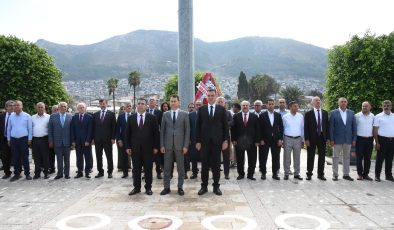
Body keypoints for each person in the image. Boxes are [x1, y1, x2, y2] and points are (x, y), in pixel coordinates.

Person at [196, 89, 229, 196]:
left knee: (216, 165)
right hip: (204, 143)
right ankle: (204, 186)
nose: (210, 97)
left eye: (212, 95)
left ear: (215, 96)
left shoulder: (221, 109)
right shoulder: (201, 109)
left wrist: (225, 140)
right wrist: (197, 141)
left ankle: (216, 186)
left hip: (217, 142)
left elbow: (225, 127)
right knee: (204, 165)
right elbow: (198, 127)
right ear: (206, 96)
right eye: (209, 95)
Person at [126, 98, 159, 196]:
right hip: (135, 149)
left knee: (148, 169)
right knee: (136, 169)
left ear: (146, 106)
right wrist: (127, 147)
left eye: (142, 104)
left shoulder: (152, 117)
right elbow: (127, 133)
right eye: (139, 104)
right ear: (136, 105)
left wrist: (156, 147)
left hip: (148, 149)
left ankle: (148, 188)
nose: (140, 105)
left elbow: (156, 134)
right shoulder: (131, 117)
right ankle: (136, 187)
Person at [160, 95, 190, 196]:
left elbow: (187, 132)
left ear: (179, 102)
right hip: (167, 146)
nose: (172, 103)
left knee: (181, 168)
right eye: (171, 101)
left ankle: (180, 187)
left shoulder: (185, 114)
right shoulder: (165, 114)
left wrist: (186, 145)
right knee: (167, 168)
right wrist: (162, 145)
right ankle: (166, 187)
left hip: (180, 146)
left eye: (174, 101)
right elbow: (162, 131)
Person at [329, 97, 357, 181]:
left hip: (348, 139)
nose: (343, 103)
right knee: (335, 157)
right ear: (338, 103)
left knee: (346, 157)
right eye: (341, 102)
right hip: (336, 139)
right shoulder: (333, 113)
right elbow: (331, 127)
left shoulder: (351, 113)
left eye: (345, 102)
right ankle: (335, 174)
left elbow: (354, 127)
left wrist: (354, 139)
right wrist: (331, 139)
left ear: (347, 103)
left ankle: (346, 174)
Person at [231, 101, 260, 180]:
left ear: (249, 106)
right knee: (240, 159)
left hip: (252, 142)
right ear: (241, 106)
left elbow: (258, 129)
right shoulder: (236, 116)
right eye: (243, 105)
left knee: (252, 159)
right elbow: (233, 129)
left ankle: (250, 175)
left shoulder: (254, 116)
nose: (245, 106)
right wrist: (233, 139)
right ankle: (241, 174)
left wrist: (257, 141)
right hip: (239, 141)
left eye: (247, 105)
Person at [304, 96, 329, 180]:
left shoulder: (325, 113)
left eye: (319, 100)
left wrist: (328, 138)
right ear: (312, 103)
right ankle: (309, 174)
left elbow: (327, 127)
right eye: (316, 100)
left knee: (322, 157)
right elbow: (306, 127)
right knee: (310, 156)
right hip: (311, 138)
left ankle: (320, 174)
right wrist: (306, 139)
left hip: (322, 137)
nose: (318, 101)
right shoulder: (308, 114)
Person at [7, 100, 32, 181]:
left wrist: (30, 138)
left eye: (18, 105)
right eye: (15, 105)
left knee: (25, 157)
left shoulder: (27, 116)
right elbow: (9, 129)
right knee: (15, 157)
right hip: (14, 139)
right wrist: (8, 139)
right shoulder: (11, 116)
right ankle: (17, 174)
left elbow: (30, 128)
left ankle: (27, 174)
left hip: (24, 139)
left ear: (22, 106)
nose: (16, 106)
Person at [259, 98, 283, 180]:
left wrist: (280, 139)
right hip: (265, 140)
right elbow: (260, 129)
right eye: (269, 104)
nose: (271, 105)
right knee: (263, 157)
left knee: (276, 157)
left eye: (272, 104)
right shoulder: (262, 115)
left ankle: (275, 174)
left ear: (274, 105)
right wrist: (261, 139)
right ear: (266, 105)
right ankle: (263, 173)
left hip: (276, 140)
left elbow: (281, 128)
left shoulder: (278, 115)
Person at [48, 102, 72, 180]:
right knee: (59, 159)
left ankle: (67, 174)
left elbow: (72, 130)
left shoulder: (70, 116)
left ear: (67, 108)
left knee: (67, 160)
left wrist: (72, 141)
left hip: (67, 142)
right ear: (58, 107)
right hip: (57, 142)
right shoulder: (53, 117)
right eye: (61, 106)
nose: (63, 108)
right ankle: (60, 174)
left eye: (64, 106)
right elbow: (50, 130)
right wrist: (51, 141)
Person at [93, 99, 116, 178]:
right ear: (99, 105)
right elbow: (93, 128)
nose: (102, 105)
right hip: (98, 139)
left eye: (103, 103)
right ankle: (100, 172)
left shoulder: (111, 114)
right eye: (101, 104)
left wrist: (113, 138)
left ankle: (110, 172)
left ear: (106, 104)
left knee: (109, 156)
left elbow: (114, 127)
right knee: (98, 156)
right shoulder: (95, 114)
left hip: (108, 139)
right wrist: (93, 138)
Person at [373, 100, 394, 182]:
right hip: (382, 140)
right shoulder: (378, 116)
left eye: (388, 105)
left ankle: (388, 175)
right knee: (379, 159)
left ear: (391, 106)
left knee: (390, 159)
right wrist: (377, 142)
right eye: (384, 105)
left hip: (392, 140)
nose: (386, 107)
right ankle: (377, 175)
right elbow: (375, 130)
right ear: (382, 106)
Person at [282, 101, 304, 180]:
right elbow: (283, 129)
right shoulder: (285, 117)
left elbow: (302, 128)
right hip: (287, 138)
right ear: (290, 107)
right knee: (286, 157)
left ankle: (297, 173)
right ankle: (286, 173)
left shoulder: (301, 116)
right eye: (295, 106)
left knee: (297, 157)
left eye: (297, 106)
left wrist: (302, 139)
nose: (297, 107)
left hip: (298, 139)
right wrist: (282, 140)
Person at [71, 102, 93, 179]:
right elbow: (72, 130)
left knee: (87, 157)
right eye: (80, 107)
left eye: (83, 107)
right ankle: (80, 172)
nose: (81, 109)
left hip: (86, 142)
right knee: (79, 157)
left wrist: (88, 140)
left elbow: (90, 130)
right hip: (77, 142)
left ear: (85, 108)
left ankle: (87, 172)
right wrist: (73, 140)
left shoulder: (89, 117)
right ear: (77, 109)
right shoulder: (74, 117)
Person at [354, 101, 374, 181]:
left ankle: (366, 174)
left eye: (366, 106)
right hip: (360, 139)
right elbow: (354, 129)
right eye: (363, 106)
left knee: (368, 158)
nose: (364, 107)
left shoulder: (373, 116)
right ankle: (359, 174)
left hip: (369, 139)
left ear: (370, 107)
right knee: (359, 157)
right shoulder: (357, 116)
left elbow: (374, 128)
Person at [31, 102, 51, 179]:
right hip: (35, 140)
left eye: (41, 107)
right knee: (36, 157)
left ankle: (46, 173)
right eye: (38, 107)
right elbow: (30, 128)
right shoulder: (32, 117)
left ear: (44, 108)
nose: (40, 108)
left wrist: (50, 140)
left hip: (44, 139)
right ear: (36, 108)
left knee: (45, 157)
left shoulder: (48, 117)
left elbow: (50, 129)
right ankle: (37, 173)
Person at [147, 97, 163, 179]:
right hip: (146, 138)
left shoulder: (159, 113)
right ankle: (146, 172)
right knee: (147, 156)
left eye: (153, 101)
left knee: (157, 157)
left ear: (156, 103)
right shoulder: (145, 112)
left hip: (157, 137)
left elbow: (162, 125)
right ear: (148, 103)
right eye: (150, 101)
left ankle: (158, 172)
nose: (152, 103)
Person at [116, 102, 133, 178]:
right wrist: (119, 139)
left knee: (134, 157)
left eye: (130, 106)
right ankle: (125, 172)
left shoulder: (135, 116)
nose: (129, 107)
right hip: (123, 140)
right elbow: (117, 129)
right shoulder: (120, 117)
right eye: (127, 106)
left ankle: (135, 173)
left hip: (133, 140)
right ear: (124, 108)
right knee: (124, 157)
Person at [216, 96, 232, 180]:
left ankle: (226, 173)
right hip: (216, 137)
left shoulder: (228, 113)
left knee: (226, 156)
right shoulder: (213, 112)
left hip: (225, 137)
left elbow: (231, 122)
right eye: (218, 102)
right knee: (216, 155)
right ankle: (216, 171)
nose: (220, 103)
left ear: (224, 103)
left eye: (221, 102)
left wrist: (223, 125)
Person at [1, 100, 14, 179]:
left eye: (13, 105)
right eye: (10, 105)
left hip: (14, 139)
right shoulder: (2, 116)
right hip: (4, 139)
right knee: (5, 157)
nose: (12, 107)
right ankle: (7, 172)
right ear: (6, 107)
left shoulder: (16, 115)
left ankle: (17, 172)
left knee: (16, 156)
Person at [188, 100, 202, 179]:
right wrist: (189, 139)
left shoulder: (205, 114)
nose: (199, 106)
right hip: (193, 139)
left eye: (200, 104)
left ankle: (204, 172)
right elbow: (188, 128)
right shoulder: (190, 115)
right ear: (195, 106)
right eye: (197, 104)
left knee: (204, 157)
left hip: (203, 140)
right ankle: (194, 172)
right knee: (193, 158)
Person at [48, 105, 58, 174]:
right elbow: (49, 130)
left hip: (59, 140)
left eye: (57, 109)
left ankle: (61, 168)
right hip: (51, 140)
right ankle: (52, 168)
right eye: (54, 110)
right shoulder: (49, 117)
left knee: (60, 156)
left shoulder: (61, 117)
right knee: (51, 155)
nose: (56, 111)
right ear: (52, 111)